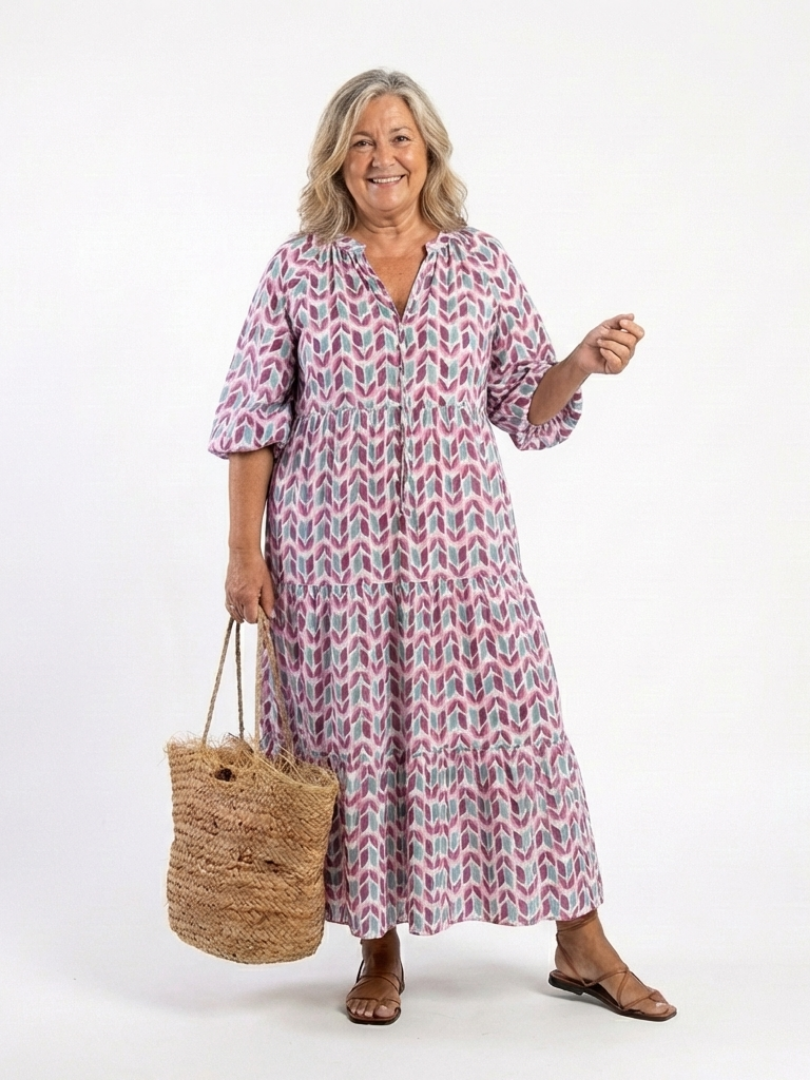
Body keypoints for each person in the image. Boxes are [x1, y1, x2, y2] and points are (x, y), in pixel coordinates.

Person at [208, 69, 676, 1026]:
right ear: (336, 159)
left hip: (464, 564)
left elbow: (525, 407)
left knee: (522, 738)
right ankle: (377, 949)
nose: (382, 158)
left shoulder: (479, 265)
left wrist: (580, 362)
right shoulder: (298, 272)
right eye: (362, 141)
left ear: (428, 153)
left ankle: (580, 942)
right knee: (353, 750)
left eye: (400, 139)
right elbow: (253, 420)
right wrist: (243, 554)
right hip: (331, 570)